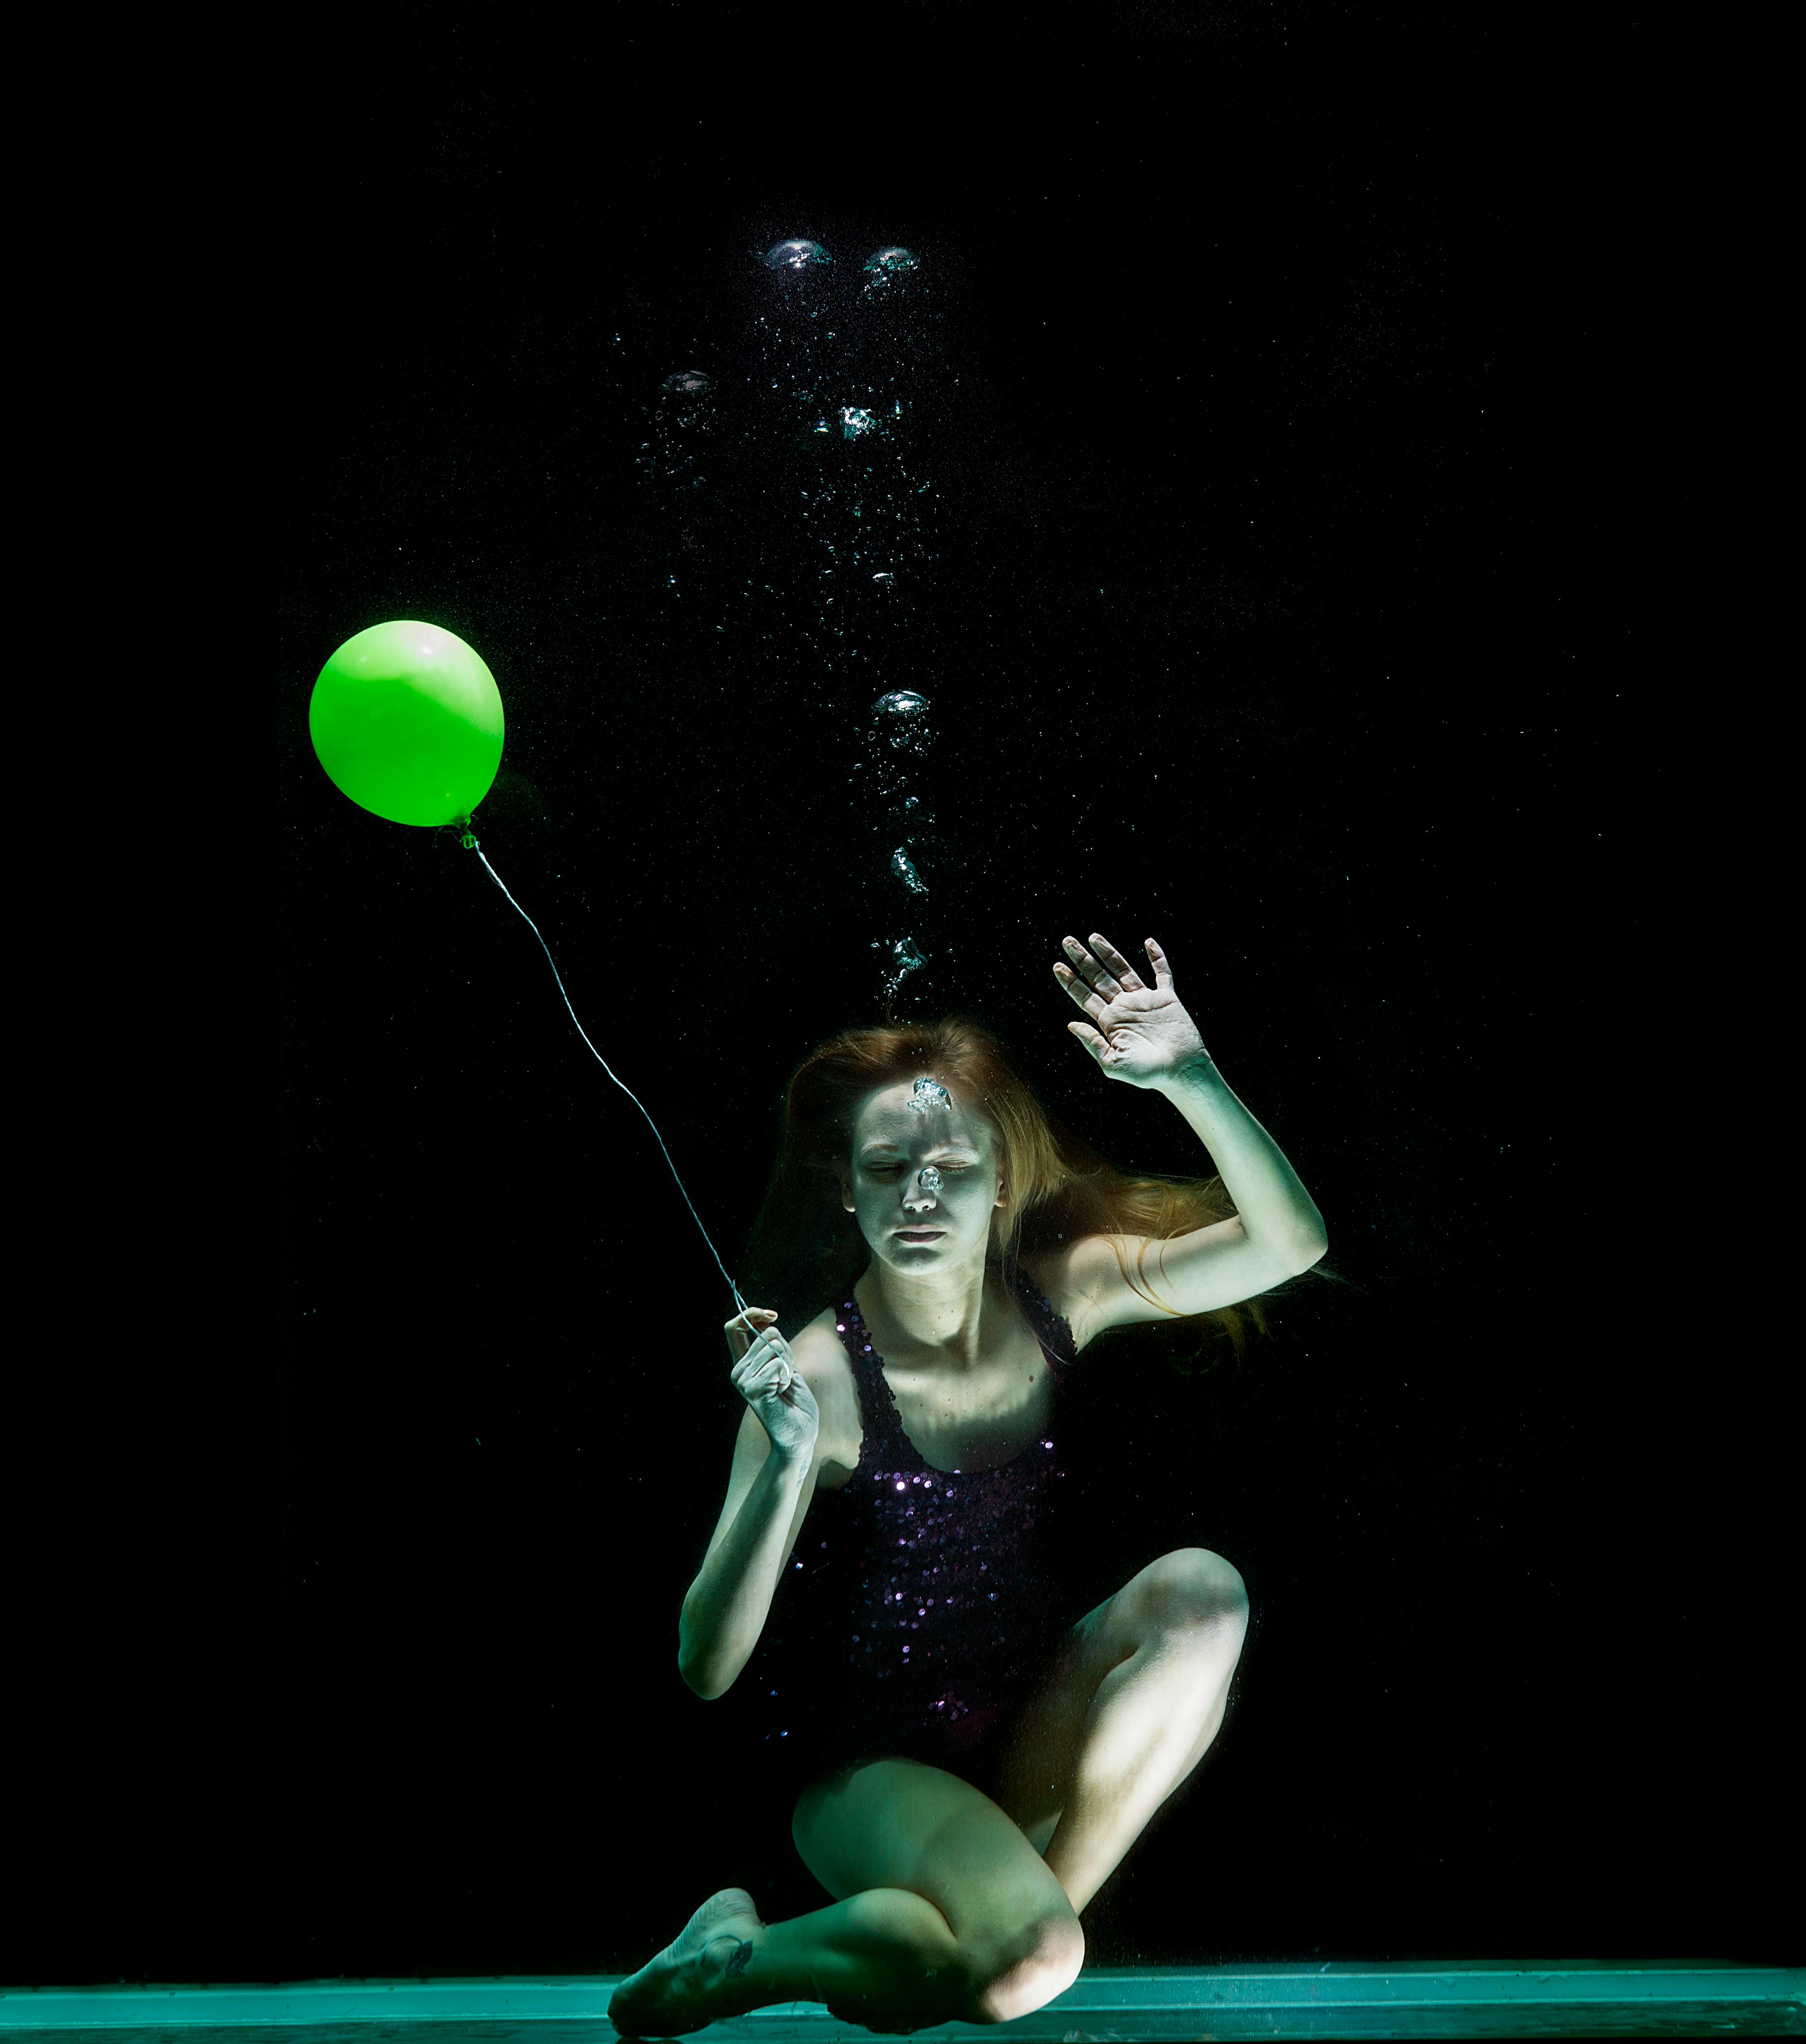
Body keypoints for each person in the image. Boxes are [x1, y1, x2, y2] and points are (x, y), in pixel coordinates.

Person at [610, 934, 1328, 2037]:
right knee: (1013, 1965)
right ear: (845, 1190)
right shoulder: (815, 1374)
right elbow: (704, 1665)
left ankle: (1010, 1931)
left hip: (1027, 1724)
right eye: (886, 1168)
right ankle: (828, 1952)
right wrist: (790, 1460)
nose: (918, 1194)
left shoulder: (1058, 1297)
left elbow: (1286, 1243)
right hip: (871, 1775)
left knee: (1202, 1590)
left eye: (948, 1168)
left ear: (1002, 1180)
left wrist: (1189, 1078)